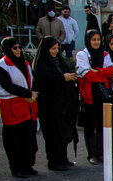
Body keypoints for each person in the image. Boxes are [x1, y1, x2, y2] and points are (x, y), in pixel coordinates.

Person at [0, 37, 39, 178]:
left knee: (28, 138)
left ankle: (27, 165)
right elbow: (7, 85)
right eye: (15, 48)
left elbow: (32, 80)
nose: (18, 50)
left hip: (27, 105)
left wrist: (32, 94)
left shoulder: (24, 64)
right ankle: (16, 168)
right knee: (14, 140)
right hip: (11, 106)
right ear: (8, 49)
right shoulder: (1, 65)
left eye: (19, 47)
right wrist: (27, 93)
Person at [32, 36, 78, 171]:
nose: (55, 51)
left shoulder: (58, 60)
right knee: (53, 135)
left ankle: (63, 158)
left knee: (63, 132)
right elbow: (44, 80)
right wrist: (62, 78)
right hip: (49, 105)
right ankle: (54, 162)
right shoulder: (41, 64)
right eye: (53, 49)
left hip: (62, 103)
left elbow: (64, 72)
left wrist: (70, 76)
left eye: (57, 48)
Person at [76, 30, 113, 165]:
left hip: (103, 94)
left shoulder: (105, 54)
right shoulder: (82, 55)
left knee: (101, 126)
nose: (96, 42)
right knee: (90, 126)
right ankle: (91, 154)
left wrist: (98, 71)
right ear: (88, 41)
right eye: (93, 40)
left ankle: (101, 153)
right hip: (89, 95)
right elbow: (87, 75)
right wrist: (102, 73)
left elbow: (112, 71)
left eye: (98, 39)